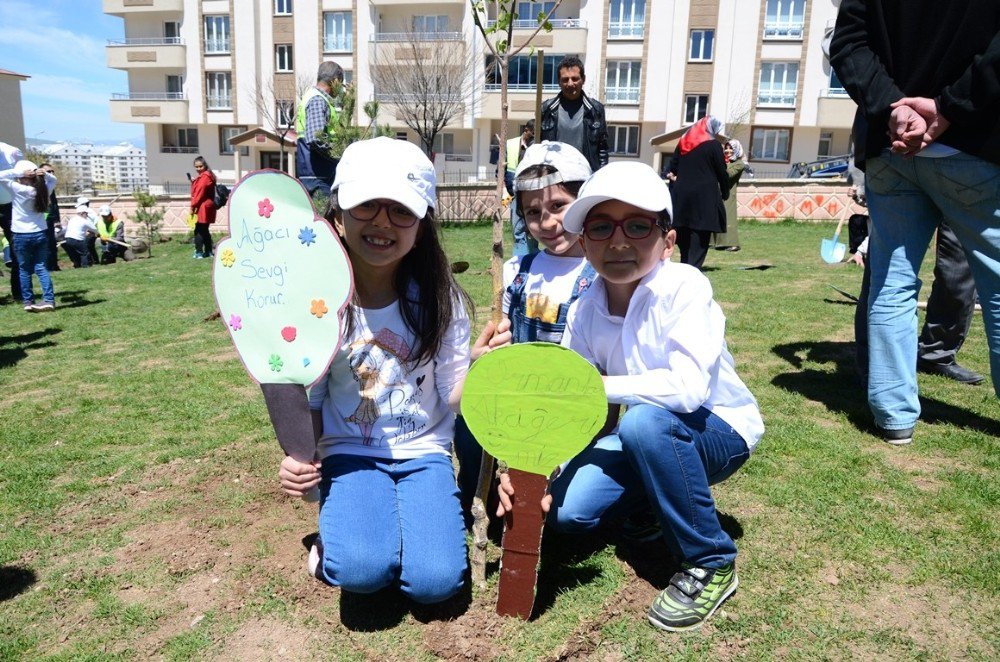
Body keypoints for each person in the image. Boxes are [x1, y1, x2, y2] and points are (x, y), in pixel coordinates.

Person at [499, 161, 764, 632]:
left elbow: (686, 389)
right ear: (584, 243)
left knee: (643, 422)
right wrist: (536, 471)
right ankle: (651, 506)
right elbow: (569, 405)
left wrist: (594, 386)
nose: (619, 242)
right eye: (601, 228)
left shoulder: (684, 287)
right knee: (568, 512)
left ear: (668, 240)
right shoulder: (584, 310)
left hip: (717, 431)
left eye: (638, 226)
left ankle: (711, 560)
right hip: (648, 435)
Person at [277, 137, 494, 605]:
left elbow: (453, 395)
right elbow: (311, 397)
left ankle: (386, 524)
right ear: (337, 215)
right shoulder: (317, 304)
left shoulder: (443, 300)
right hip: (349, 451)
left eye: (400, 210)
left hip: (425, 453)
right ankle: (330, 544)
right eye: (366, 206)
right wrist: (300, 457)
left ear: (421, 225)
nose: (381, 222)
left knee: (437, 584)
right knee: (362, 572)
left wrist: (485, 369)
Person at [830, 1, 1000, 444]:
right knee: (997, 290)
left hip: (891, 148)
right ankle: (893, 412)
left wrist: (892, 108)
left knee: (892, 281)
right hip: (973, 144)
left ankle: (894, 417)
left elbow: (848, 43)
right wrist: (948, 109)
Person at [455, 141, 593, 506]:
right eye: (533, 212)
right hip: (517, 394)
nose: (546, 222)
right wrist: (485, 353)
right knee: (468, 420)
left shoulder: (599, 277)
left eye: (559, 207)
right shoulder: (516, 272)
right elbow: (497, 344)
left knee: (564, 512)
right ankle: (475, 496)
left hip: (569, 404)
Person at [667, 116, 730, 269]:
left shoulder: (683, 143)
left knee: (684, 233)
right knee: (700, 234)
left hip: (682, 195)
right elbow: (722, 172)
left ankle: (685, 266)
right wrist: (725, 191)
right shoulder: (713, 145)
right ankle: (693, 269)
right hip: (704, 196)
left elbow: (672, 167)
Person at [0, 160, 58, 311]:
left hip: (20, 234)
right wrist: (42, 172)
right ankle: (49, 300)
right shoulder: (44, 189)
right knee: (41, 268)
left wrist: (18, 172)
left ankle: (28, 302)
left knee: (24, 269)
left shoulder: (17, 189)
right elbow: (54, 179)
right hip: (40, 232)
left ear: (25, 177)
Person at [539, 56, 610, 173]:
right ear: (558, 81)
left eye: (575, 78)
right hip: (555, 177)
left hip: (585, 176)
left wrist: (600, 175)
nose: (570, 83)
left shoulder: (596, 110)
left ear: (583, 79)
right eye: (565, 79)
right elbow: (537, 144)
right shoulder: (546, 109)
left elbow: (602, 149)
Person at [295, 61, 345, 199]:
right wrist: (340, 154)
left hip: (315, 174)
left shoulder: (314, 97)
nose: (341, 90)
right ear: (334, 81)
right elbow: (316, 138)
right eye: (341, 84)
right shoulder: (318, 100)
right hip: (319, 176)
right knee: (324, 219)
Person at [504, 120, 537, 256]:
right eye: (532, 133)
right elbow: (502, 168)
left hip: (532, 194)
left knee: (533, 230)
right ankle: (520, 259)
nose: (534, 137)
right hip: (516, 193)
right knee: (518, 230)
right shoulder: (511, 144)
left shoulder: (536, 146)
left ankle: (533, 257)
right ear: (526, 131)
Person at [713, 140, 748, 252]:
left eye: (731, 148)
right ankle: (715, 243)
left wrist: (719, 166)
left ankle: (733, 243)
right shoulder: (723, 162)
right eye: (726, 148)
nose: (728, 151)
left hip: (728, 194)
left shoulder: (739, 164)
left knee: (728, 218)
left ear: (737, 149)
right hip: (717, 192)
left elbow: (728, 175)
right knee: (716, 217)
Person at [0, 142, 23, 301]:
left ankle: (19, 293)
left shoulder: (10, 151)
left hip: (8, 206)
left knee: (16, 248)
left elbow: (22, 169)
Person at [189, 156, 216, 259]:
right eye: (196, 167)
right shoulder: (207, 176)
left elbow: (199, 194)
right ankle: (208, 251)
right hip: (207, 206)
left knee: (199, 230)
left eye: (200, 166)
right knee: (204, 230)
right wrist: (194, 181)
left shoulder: (205, 177)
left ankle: (199, 252)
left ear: (205, 165)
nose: (198, 168)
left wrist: (192, 207)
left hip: (203, 207)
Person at [39, 163, 60, 271]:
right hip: (43, 217)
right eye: (48, 172)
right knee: (46, 243)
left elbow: (54, 204)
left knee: (52, 243)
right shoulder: (40, 186)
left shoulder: (50, 186)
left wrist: (57, 219)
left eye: (52, 171)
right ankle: (48, 267)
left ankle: (54, 265)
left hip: (50, 218)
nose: (51, 173)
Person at [75, 196, 101, 266]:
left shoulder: (88, 211)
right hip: (90, 231)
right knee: (90, 247)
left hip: (91, 232)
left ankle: (91, 262)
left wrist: (91, 231)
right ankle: (95, 261)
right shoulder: (88, 211)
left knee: (87, 247)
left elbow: (94, 222)